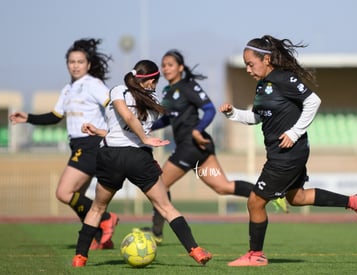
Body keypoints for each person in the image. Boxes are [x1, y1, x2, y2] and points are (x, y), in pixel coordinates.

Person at [219, 35, 357, 267]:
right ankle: (353, 202)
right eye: (246, 64)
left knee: (255, 203)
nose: (248, 69)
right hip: (284, 153)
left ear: (266, 59)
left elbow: (313, 101)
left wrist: (294, 132)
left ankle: (256, 255)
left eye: (251, 64)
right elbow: (258, 117)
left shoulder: (283, 78)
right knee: (297, 197)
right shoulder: (263, 85)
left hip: (287, 154)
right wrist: (232, 114)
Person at [72, 60, 212, 267]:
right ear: (152, 81)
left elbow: (126, 121)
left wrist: (105, 133)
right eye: (156, 82)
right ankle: (196, 250)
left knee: (97, 209)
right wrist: (143, 139)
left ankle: (79, 258)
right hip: (138, 158)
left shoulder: (118, 89)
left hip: (111, 156)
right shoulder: (153, 98)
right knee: (165, 207)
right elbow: (131, 125)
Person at [141, 49, 263, 244]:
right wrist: (144, 128)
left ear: (180, 67)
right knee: (223, 187)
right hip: (194, 147)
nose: (165, 68)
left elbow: (208, 109)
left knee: (159, 185)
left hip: (192, 144)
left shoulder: (188, 86)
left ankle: (156, 232)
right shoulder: (168, 91)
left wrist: (197, 130)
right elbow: (167, 120)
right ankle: (267, 193)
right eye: (163, 65)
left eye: (170, 64)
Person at [9, 38, 118, 250]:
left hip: (91, 143)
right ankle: (98, 239)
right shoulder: (68, 89)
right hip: (78, 145)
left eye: (80, 61)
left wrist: (113, 131)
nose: (75, 65)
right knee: (76, 199)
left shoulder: (93, 84)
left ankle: (106, 218)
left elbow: (113, 104)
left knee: (63, 193)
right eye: (71, 61)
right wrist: (28, 117)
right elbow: (56, 115)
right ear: (67, 64)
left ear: (88, 64)